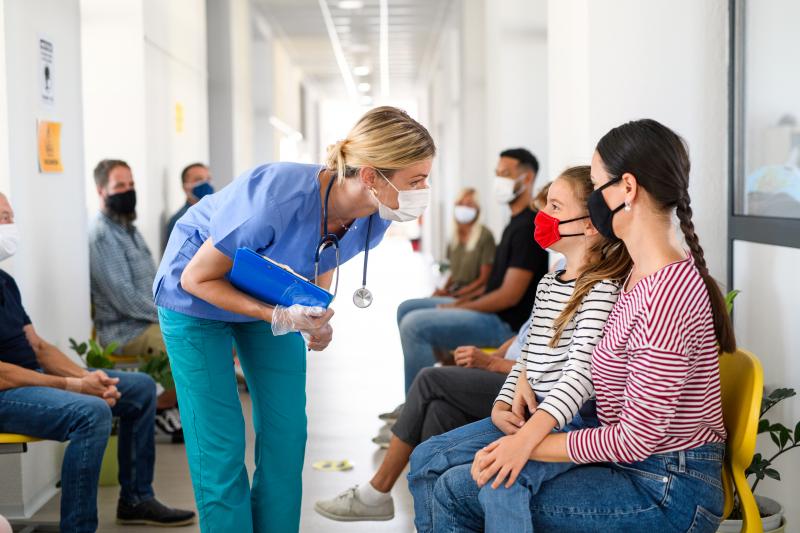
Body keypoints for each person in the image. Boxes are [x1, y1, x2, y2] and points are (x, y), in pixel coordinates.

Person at [423, 119, 734, 533]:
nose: (592, 201)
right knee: (457, 476)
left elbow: (635, 439)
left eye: (595, 183)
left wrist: (528, 444)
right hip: (637, 468)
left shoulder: (666, 295)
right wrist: (523, 396)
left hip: (666, 489)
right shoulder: (636, 275)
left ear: (627, 189)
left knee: (458, 490)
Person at [153, 106, 436, 532]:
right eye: (416, 180)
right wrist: (278, 314)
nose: (424, 190)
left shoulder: (375, 215)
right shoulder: (274, 198)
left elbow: (322, 252)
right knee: (220, 442)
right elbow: (197, 277)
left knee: (287, 434)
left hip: (268, 290)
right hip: (195, 297)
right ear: (372, 176)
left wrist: (314, 313)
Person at [406, 165, 630, 532]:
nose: (542, 217)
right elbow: (529, 356)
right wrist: (501, 405)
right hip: (530, 414)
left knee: (500, 480)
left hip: (568, 425)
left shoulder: (602, 289)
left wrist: (527, 437)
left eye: (555, 207)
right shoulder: (550, 280)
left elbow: (581, 377)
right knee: (426, 458)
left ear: (589, 225)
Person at [0, 192, 195, 533]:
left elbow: (39, 348)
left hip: (32, 376)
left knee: (140, 388)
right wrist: (75, 386)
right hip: (7, 391)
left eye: (10, 216)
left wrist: (91, 378)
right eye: (3, 218)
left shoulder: (5, 282)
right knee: (90, 413)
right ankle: (78, 528)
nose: (10, 226)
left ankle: (136, 500)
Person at [315, 316, 530, 522]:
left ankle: (378, 490)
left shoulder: (559, 287)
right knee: (438, 410)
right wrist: (495, 356)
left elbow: (549, 367)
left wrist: (492, 363)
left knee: (429, 380)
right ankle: (432, 522)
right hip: (509, 370)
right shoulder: (549, 286)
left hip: (524, 386)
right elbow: (524, 335)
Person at [393, 148, 548, 399]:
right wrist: (463, 302)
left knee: (414, 326)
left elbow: (508, 296)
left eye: (506, 174)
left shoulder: (529, 227)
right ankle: (428, 380)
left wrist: (462, 307)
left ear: (527, 179)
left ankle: (413, 407)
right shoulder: (514, 222)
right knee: (406, 308)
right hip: (488, 310)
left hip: (502, 323)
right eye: (497, 173)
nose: (499, 180)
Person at [89, 159, 182, 442]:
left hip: (146, 320)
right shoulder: (103, 236)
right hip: (125, 330)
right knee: (184, 342)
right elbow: (126, 299)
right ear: (101, 191)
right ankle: (156, 409)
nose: (127, 191)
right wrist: (171, 313)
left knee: (198, 336)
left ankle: (169, 409)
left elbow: (152, 282)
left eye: (131, 184)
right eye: (119, 186)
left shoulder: (128, 229)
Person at [433, 188, 495, 299]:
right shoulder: (454, 237)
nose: (464, 208)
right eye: (460, 204)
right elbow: (453, 273)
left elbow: (484, 279)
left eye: (469, 204)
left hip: (472, 296)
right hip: (455, 292)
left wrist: (455, 294)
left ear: (478, 209)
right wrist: (444, 290)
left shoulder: (485, 236)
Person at [163, 163, 212, 250]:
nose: (205, 183)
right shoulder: (181, 221)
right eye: (198, 179)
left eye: (208, 179)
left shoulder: (215, 214)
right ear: (185, 187)